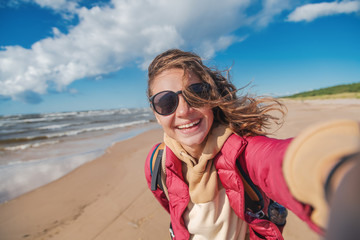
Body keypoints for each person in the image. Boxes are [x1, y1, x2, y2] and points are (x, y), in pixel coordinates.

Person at [144, 49, 360, 240]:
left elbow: (281, 161)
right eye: (166, 102)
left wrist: (337, 170)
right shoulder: (156, 163)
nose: (183, 111)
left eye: (197, 94)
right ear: (155, 113)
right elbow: (173, 209)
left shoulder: (242, 151)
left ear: (212, 98)